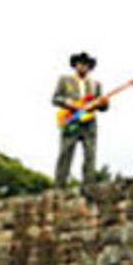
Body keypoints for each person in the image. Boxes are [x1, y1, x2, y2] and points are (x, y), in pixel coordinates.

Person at [52, 52, 109, 188]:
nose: (84, 67)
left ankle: (89, 185)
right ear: (75, 65)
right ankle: (59, 186)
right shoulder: (64, 80)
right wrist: (69, 103)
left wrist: (102, 103)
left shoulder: (96, 84)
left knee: (90, 153)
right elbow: (55, 99)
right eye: (81, 63)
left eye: (87, 64)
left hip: (89, 123)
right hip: (71, 119)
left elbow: (104, 107)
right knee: (65, 153)